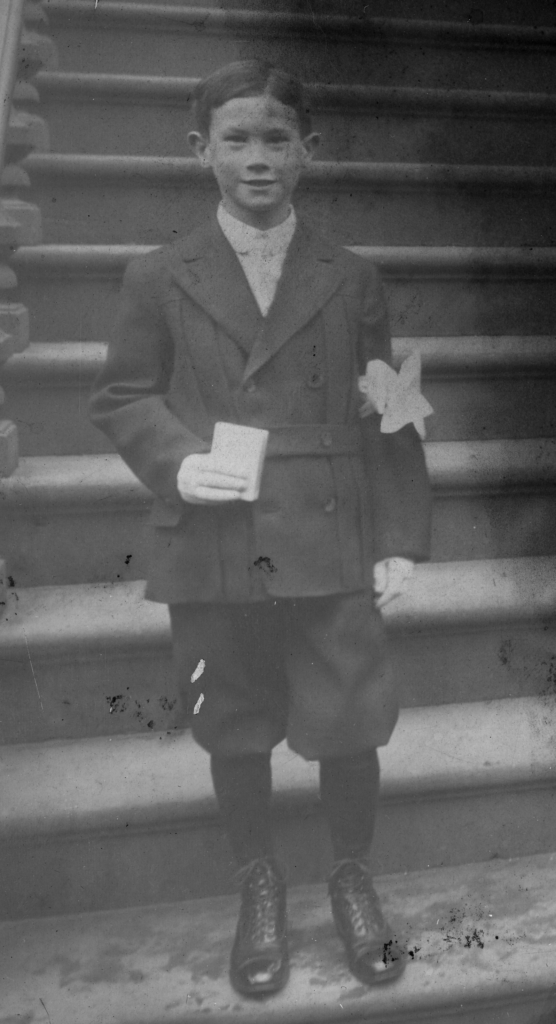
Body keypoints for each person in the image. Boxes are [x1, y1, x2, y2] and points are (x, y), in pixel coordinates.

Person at [89, 60, 432, 998]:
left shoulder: (352, 277)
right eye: (236, 139)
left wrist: (398, 532)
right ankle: (260, 886)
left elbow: (388, 407)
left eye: (277, 139)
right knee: (233, 723)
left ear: (308, 152)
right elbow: (121, 394)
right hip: (215, 529)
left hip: (331, 530)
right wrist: (174, 459)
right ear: (198, 150)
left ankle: (352, 877)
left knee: (349, 720)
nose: (257, 158)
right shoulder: (158, 275)